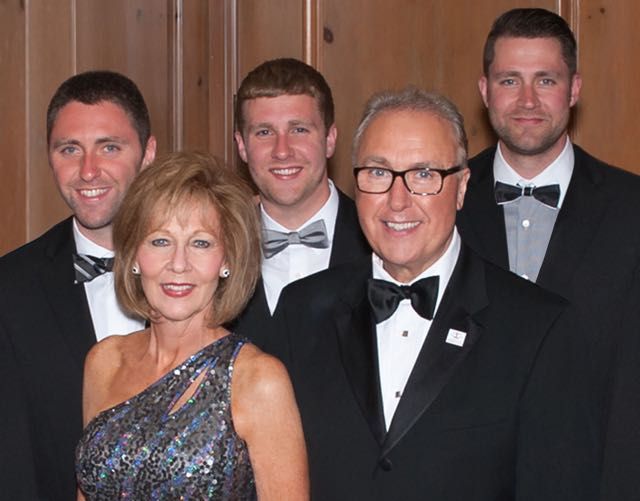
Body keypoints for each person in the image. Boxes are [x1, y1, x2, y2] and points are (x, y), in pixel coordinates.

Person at [270, 87, 597, 500]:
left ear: (461, 188)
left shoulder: (538, 328)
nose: (398, 201)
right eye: (378, 173)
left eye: (424, 175)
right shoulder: (300, 310)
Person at [75, 151, 308, 499]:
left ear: (227, 259)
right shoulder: (104, 361)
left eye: (200, 243)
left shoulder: (257, 380)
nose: (179, 264)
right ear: (134, 255)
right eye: (160, 241)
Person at [456, 7, 640, 444]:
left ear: (574, 89)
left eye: (545, 80)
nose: (527, 101)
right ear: (484, 90)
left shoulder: (632, 208)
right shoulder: (443, 201)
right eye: (509, 81)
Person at [0, 71, 157, 499]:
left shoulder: (203, 271)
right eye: (69, 149)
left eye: (109, 147)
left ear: (147, 153)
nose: (88, 171)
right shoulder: (10, 290)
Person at [231, 58, 369, 349]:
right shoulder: (217, 246)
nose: (282, 151)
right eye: (264, 132)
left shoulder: (379, 243)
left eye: (299, 130)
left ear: (330, 139)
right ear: (242, 146)